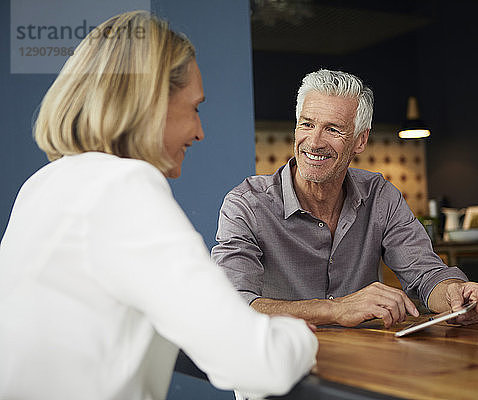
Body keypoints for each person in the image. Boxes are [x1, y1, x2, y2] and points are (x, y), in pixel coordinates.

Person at [0, 11, 317, 400]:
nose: (200, 132)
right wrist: (299, 334)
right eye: (195, 107)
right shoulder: (121, 186)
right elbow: (257, 362)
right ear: (150, 102)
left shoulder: (43, 185)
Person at [211, 69, 478, 328]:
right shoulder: (246, 204)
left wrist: (455, 293)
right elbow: (230, 304)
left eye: (333, 129)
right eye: (307, 124)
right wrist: (336, 309)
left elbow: (426, 274)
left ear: (360, 140)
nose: (315, 141)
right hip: (278, 370)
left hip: (361, 361)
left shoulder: (380, 196)